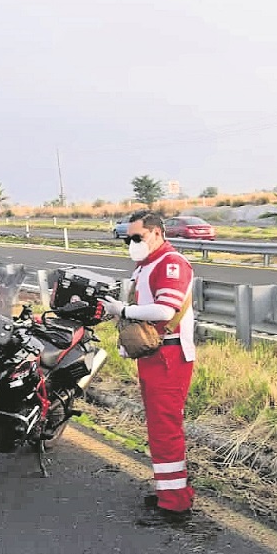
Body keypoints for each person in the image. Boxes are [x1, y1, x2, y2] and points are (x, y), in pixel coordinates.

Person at [100, 212, 197, 522]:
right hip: (155, 354)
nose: (131, 243)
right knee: (159, 429)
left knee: (165, 430)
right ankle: (171, 491)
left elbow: (165, 309)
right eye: (128, 238)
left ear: (156, 233)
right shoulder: (147, 265)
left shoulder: (170, 263)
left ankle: (175, 505)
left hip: (168, 357)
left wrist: (124, 308)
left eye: (137, 237)